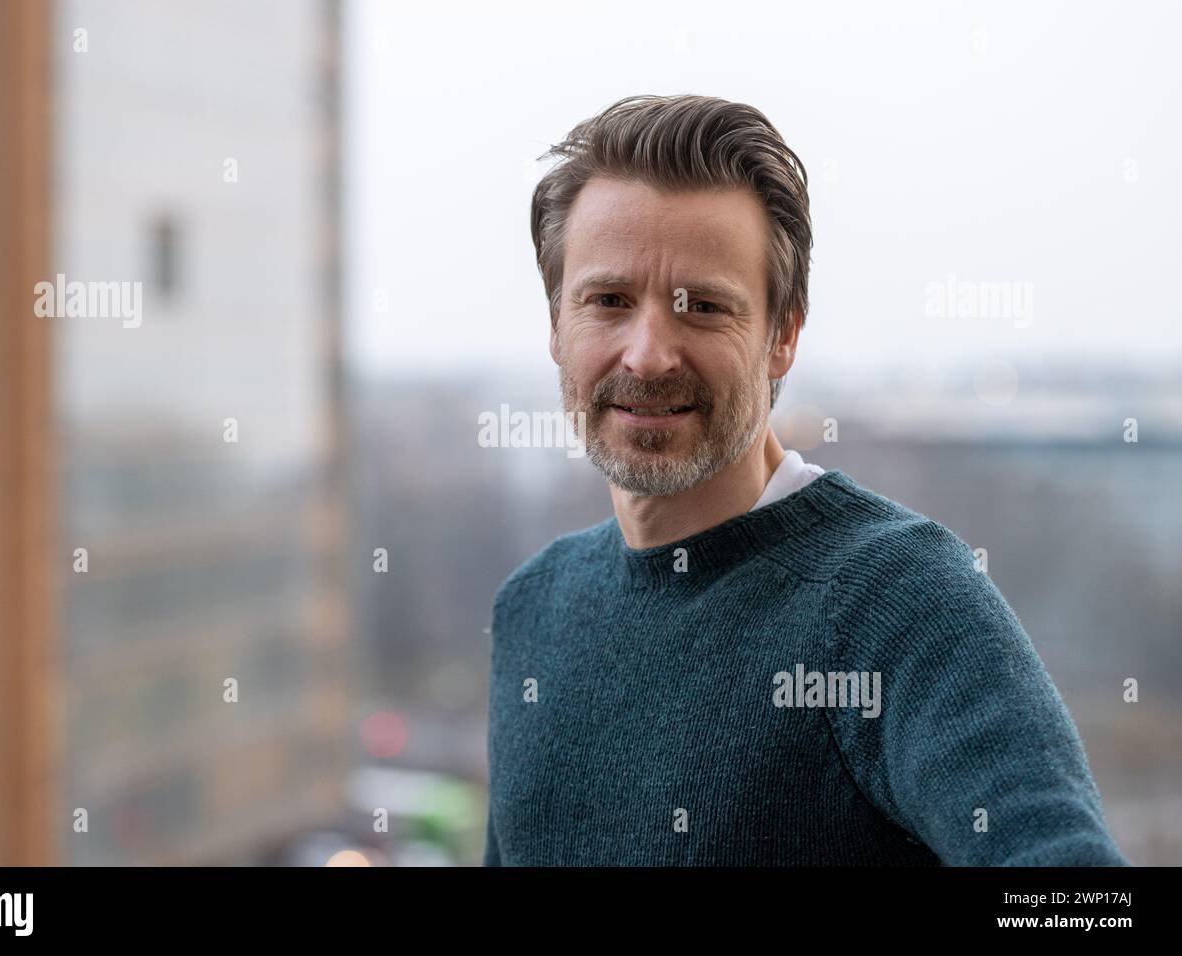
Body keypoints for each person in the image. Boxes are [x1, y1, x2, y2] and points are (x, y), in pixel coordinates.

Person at [483, 94, 1127, 866]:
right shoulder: (532, 609)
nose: (648, 354)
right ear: (557, 324)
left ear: (782, 335)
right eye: (609, 301)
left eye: (703, 307)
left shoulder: (899, 603)